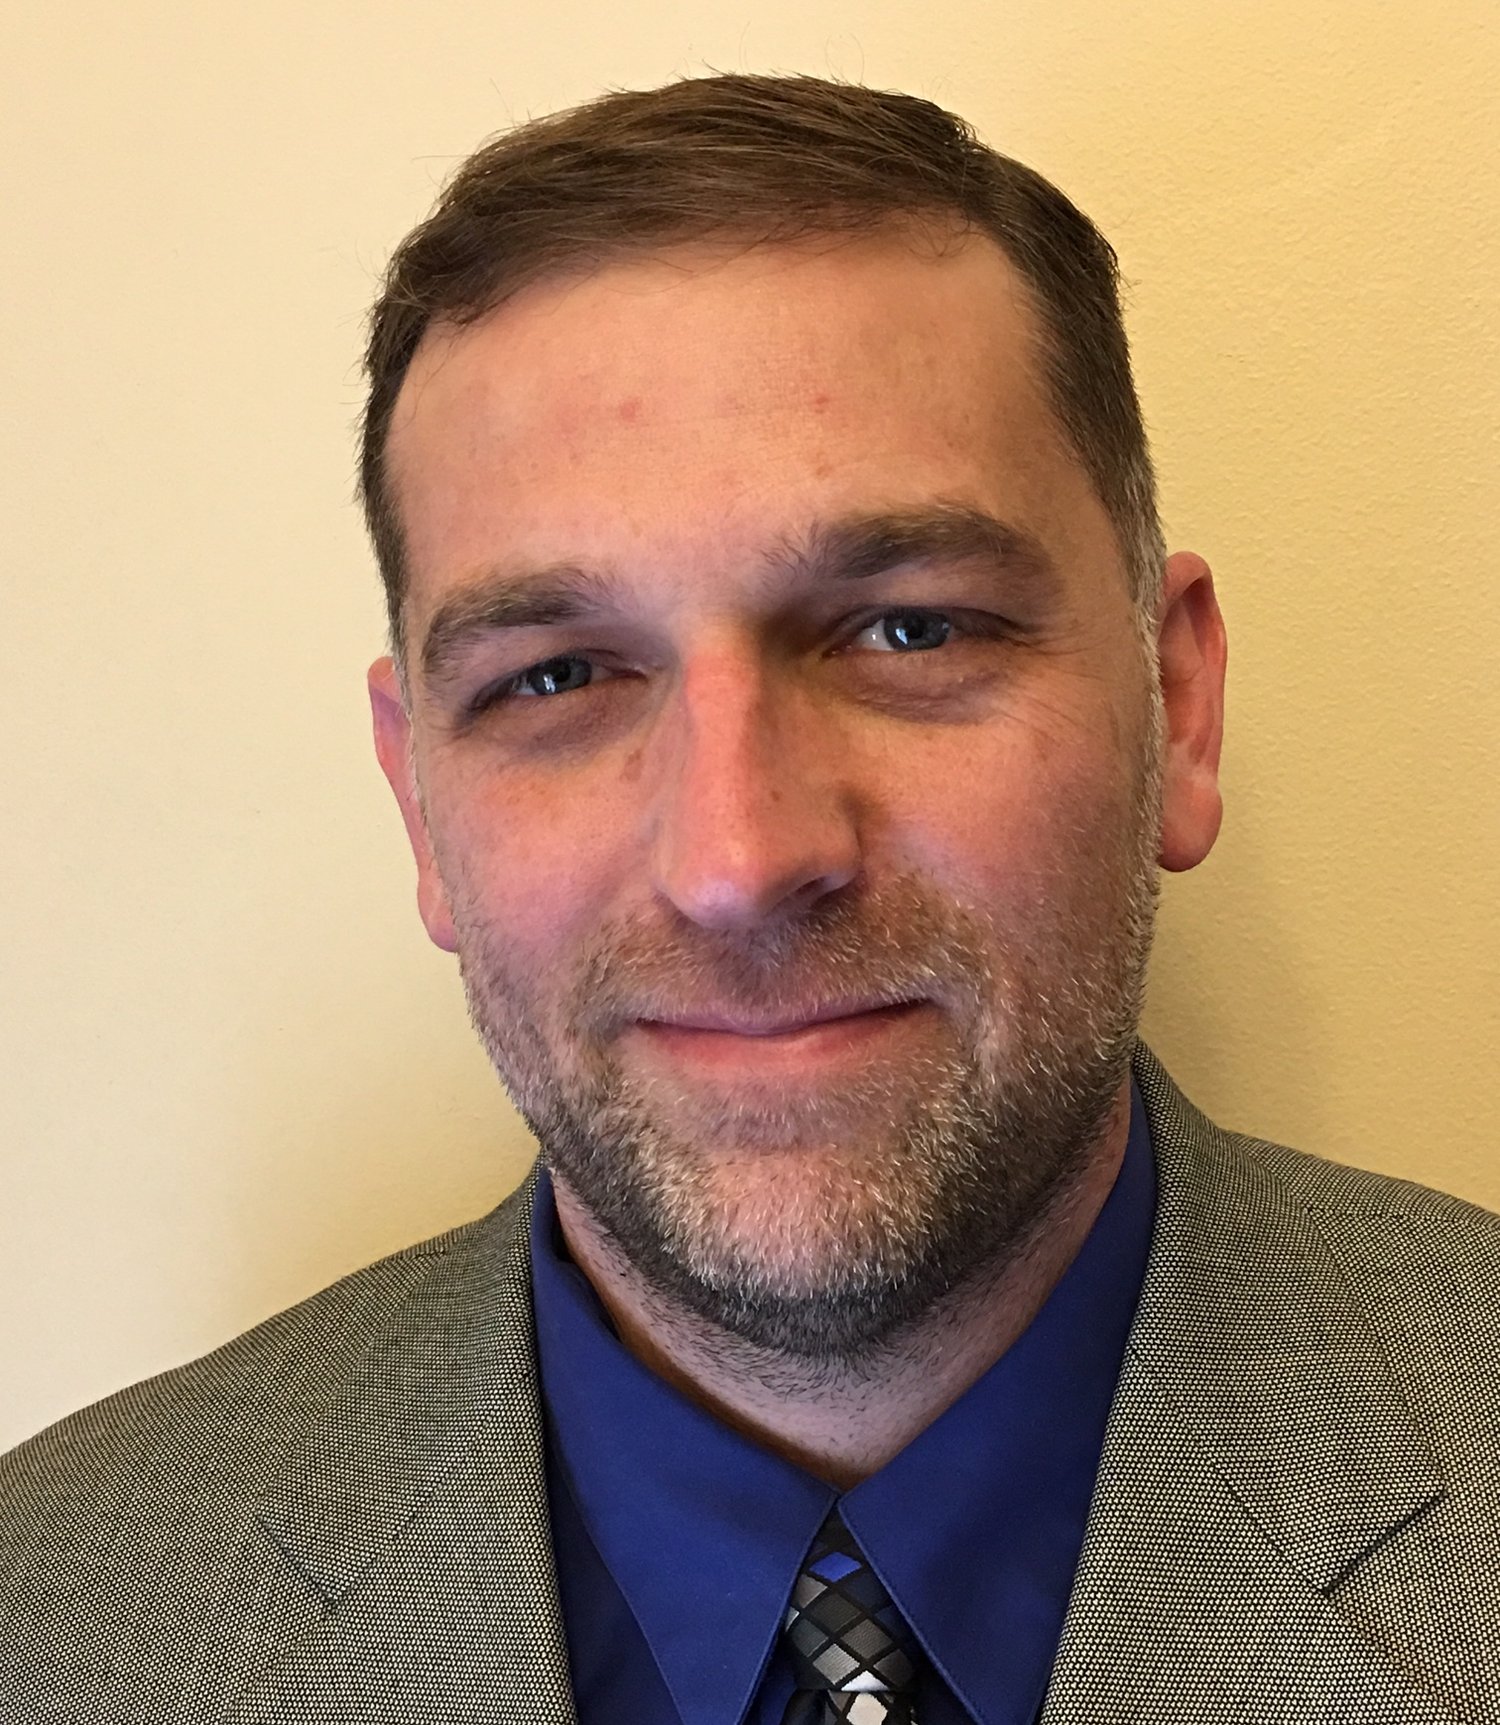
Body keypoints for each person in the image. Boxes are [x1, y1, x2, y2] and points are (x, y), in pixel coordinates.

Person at [3, 71, 1496, 1725]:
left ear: (1178, 703)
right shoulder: (53, 1617)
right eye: (558, 674)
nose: (737, 858)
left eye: (910, 627)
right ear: (419, 800)